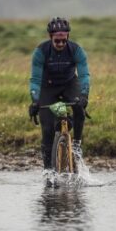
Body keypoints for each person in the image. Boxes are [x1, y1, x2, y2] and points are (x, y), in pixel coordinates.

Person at [28, 17, 91, 170]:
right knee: (47, 129)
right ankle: (49, 171)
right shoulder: (41, 52)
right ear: (51, 38)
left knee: (78, 109)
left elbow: (84, 75)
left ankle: (76, 145)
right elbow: (35, 79)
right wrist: (35, 101)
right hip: (47, 86)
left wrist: (84, 96)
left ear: (68, 37)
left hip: (69, 83)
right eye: (57, 41)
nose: (61, 44)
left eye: (64, 40)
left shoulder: (76, 50)